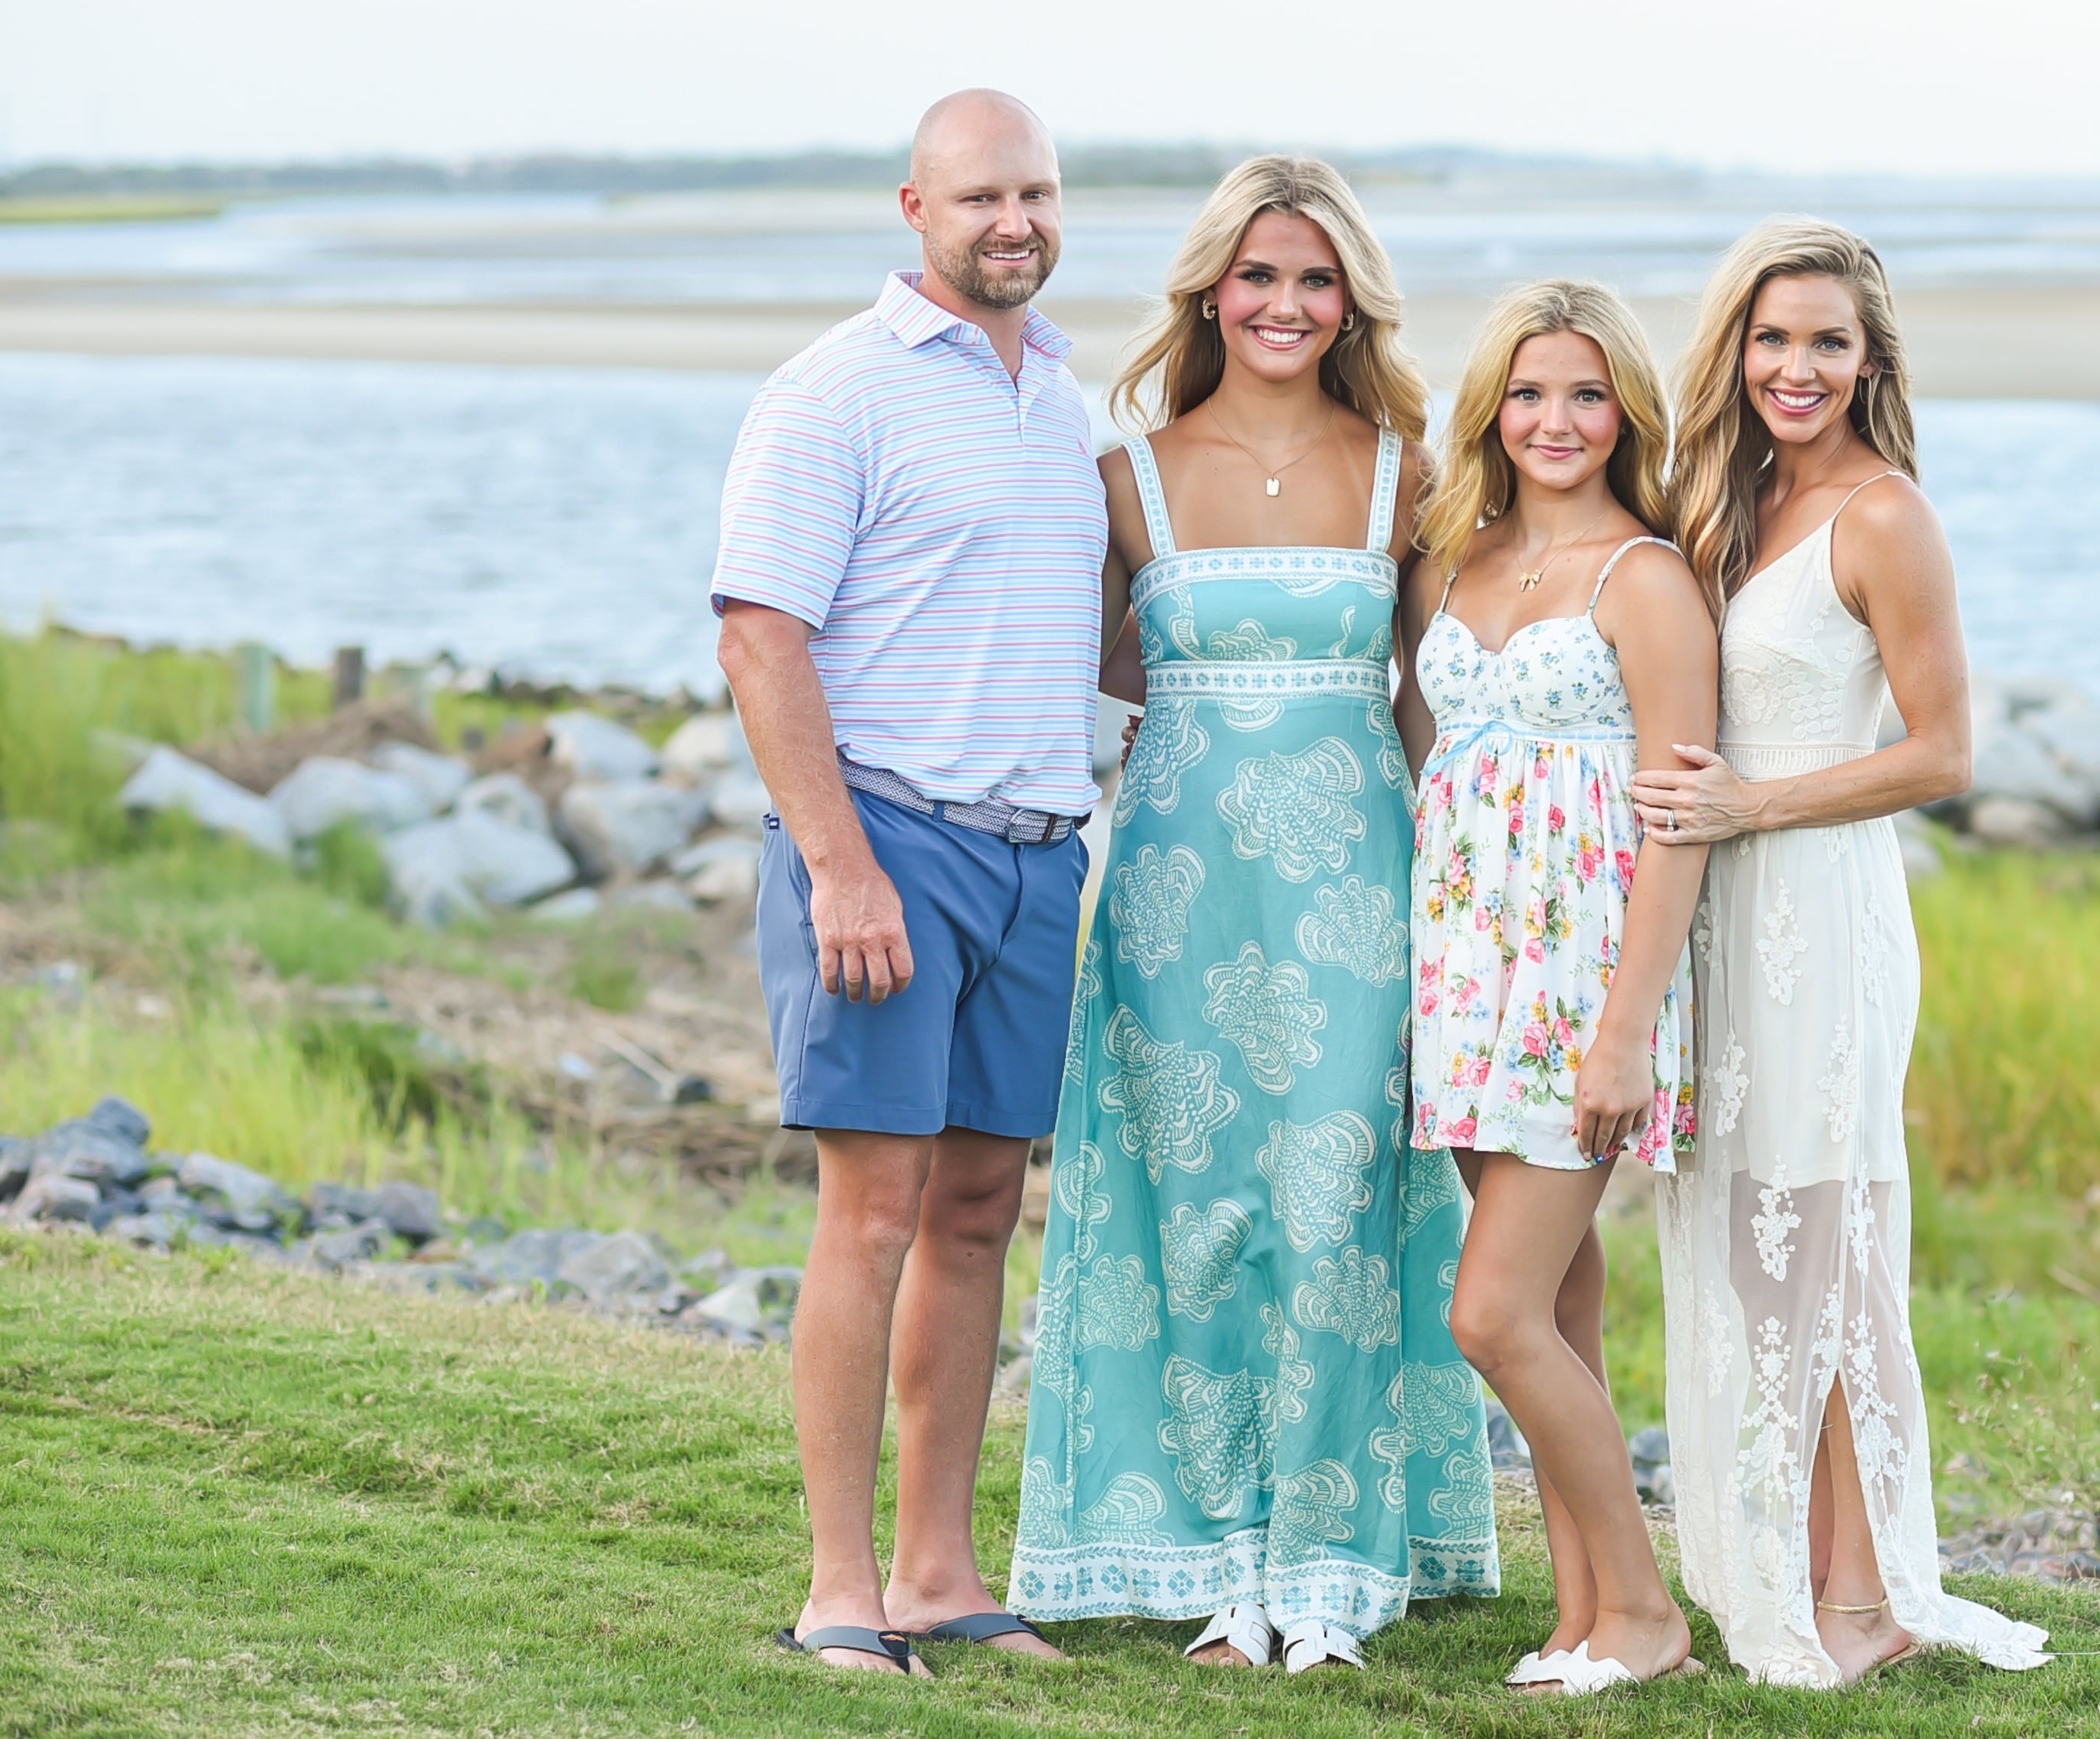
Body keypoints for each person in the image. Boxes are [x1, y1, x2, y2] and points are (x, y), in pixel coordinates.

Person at [1009, 157, 1499, 1674]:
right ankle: (1224, 1562)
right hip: (1171, 894)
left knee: (1335, 1205)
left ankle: (1331, 1565)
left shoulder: (1402, 467)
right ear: (1211, 290)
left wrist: (1456, 888)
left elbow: (1441, 693)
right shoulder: (1126, 471)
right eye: (1260, 275)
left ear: (1350, 298)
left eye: (1315, 279)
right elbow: (1092, 665)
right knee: (1196, 1219)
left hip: (1359, 891)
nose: (1285, 305)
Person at [1631, 219, 2053, 1687]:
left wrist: (1755, 802)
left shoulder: (1882, 516)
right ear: (1734, 352)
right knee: (1755, 1253)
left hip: (1820, 901)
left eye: (1826, 343)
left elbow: (1942, 753)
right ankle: (1807, 1570)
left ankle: (1864, 1597)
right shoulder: (1725, 496)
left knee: (1824, 1242)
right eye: (1772, 340)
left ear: (1870, 361)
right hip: (1723, 912)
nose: (1796, 368)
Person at [714, 89, 1095, 1674]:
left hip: (1036, 854)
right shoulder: (835, 391)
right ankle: (838, 1589)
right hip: (888, 844)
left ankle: (942, 1572)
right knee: (872, 1213)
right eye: (981, 196)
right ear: (914, 208)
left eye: (1039, 193)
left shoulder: (1065, 393)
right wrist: (840, 867)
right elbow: (759, 634)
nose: (1014, 220)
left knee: (981, 1211)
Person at [1404, 280, 1717, 1695]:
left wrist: (1627, 1032)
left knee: (1494, 1315)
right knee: (1561, 1308)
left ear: (1625, 415)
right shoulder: (1449, 562)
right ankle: (1582, 1609)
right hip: (1465, 971)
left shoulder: (1643, 578)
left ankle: (1644, 1617)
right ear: (1493, 409)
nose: (1555, 420)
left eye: (1587, 394)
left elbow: (1677, 819)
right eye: (1529, 393)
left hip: (1579, 985)